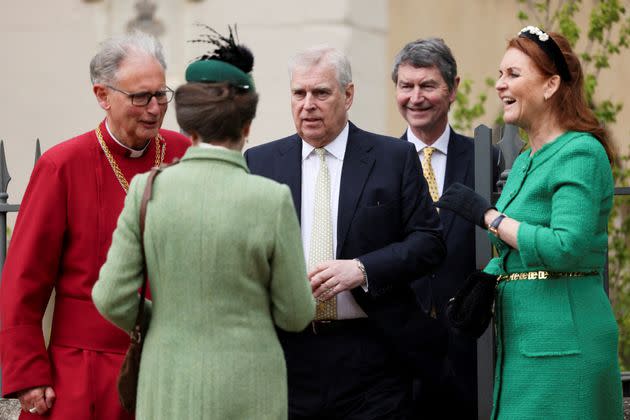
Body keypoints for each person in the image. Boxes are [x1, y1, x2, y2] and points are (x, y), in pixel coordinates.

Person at [92, 29, 316, 420]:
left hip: (167, 383)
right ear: (246, 127)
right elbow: (296, 313)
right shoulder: (271, 199)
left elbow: (111, 297)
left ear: (187, 129)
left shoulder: (147, 190)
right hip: (251, 385)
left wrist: (162, 317)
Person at [245, 45, 447, 420]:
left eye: (321, 93)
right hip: (289, 355)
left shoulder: (393, 158)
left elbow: (429, 242)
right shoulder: (258, 163)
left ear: (348, 95)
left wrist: (362, 268)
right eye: (299, 93)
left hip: (373, 354)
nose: (308, 105)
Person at [436, 26, 623, 419]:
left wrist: (487, 215)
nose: (500, 85)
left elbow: (565, 247)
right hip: (523, 346)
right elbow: (513, 249)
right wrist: (481, 283)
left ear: (552, 84)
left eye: (513, 75)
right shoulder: (525, 159)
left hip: (565, 347)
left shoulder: (580, 152)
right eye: (500, 74)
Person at [0, 33, 191, 419]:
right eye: (140, 97)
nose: (154, 109)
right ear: (102, 95)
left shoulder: (183, 154)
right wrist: (28, 374)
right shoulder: (61, 166)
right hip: (83, 369)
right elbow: (24, 280)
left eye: (161, 95)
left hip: (170, 364)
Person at [392, 38, 501, 419]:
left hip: (473, 350)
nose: (416, 97)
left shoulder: (487, 159)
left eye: (428, 86)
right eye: (406, 86)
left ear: (453, 89)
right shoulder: (380, 164)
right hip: (401, 358)